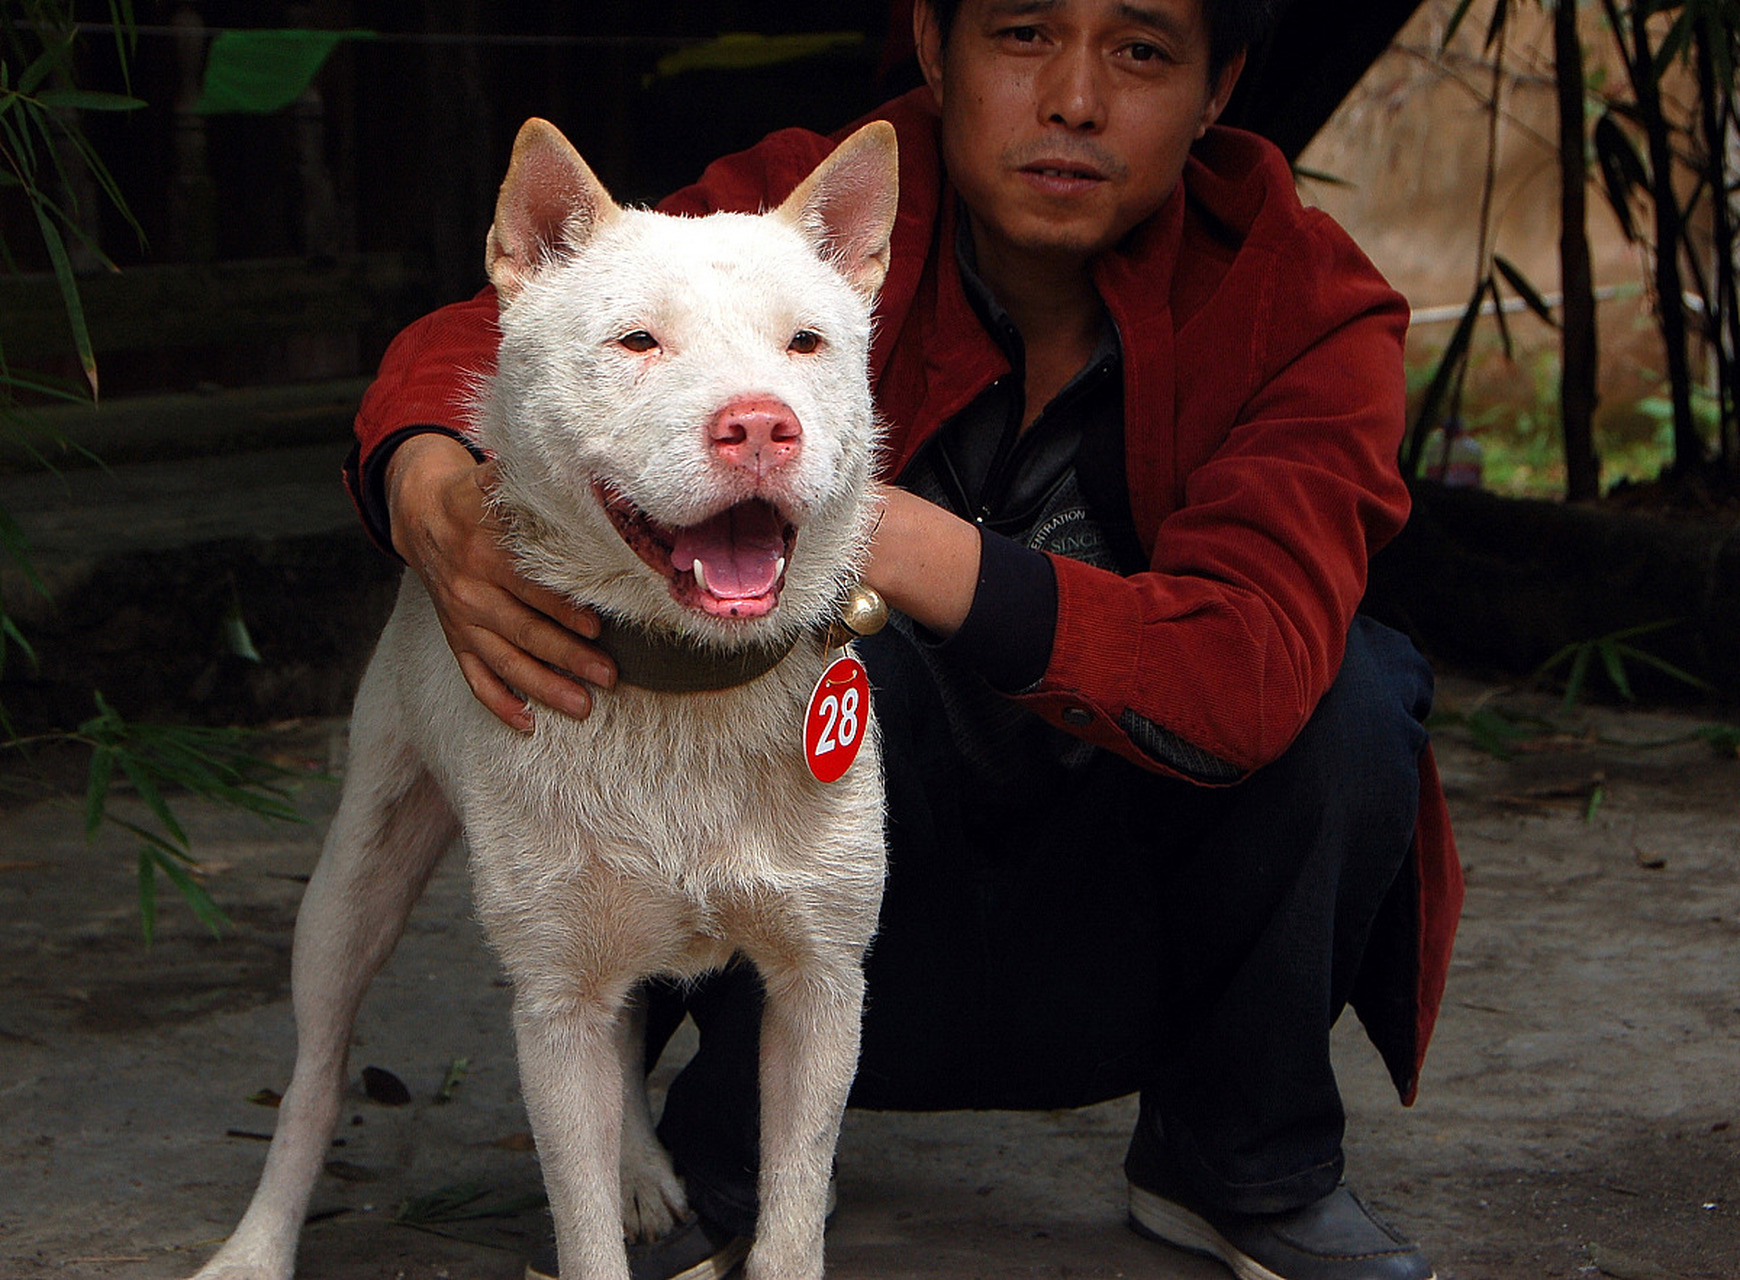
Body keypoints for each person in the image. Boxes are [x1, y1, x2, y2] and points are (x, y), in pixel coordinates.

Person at [344, 1, 1464, 1277]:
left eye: (1143, 51)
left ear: (1220, 91)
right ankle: (728, 1176)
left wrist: (884, 539)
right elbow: (522, 312)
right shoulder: (812, 202)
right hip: (850, 915)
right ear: (935, 47)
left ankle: (1239, 1157)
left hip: (1146, 933)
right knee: (798, 650)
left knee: (1351, 690)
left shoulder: (1308, 304)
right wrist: (427, 475)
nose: (1077, 100)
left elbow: (1242, 670)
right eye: (1027, 33)